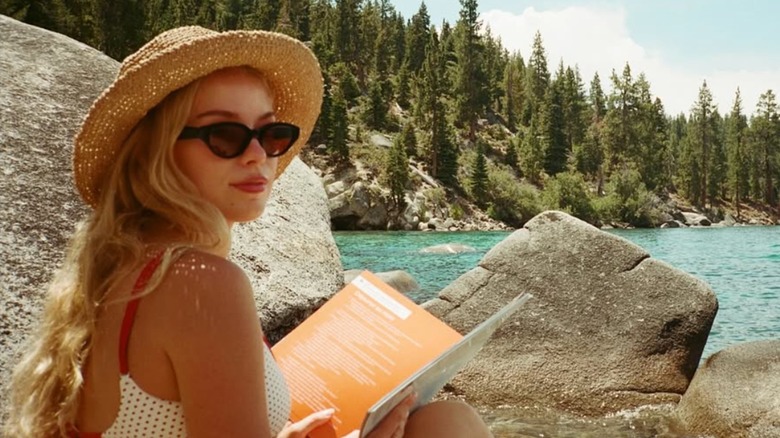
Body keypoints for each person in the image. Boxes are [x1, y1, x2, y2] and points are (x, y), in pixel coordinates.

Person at [4, 26, 493, 438]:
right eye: (225, 135)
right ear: (156, 151)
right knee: (449, 426)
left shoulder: (118, 267)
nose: (258, 154)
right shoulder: (199, 282)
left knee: (443, 420)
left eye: (271, 134)